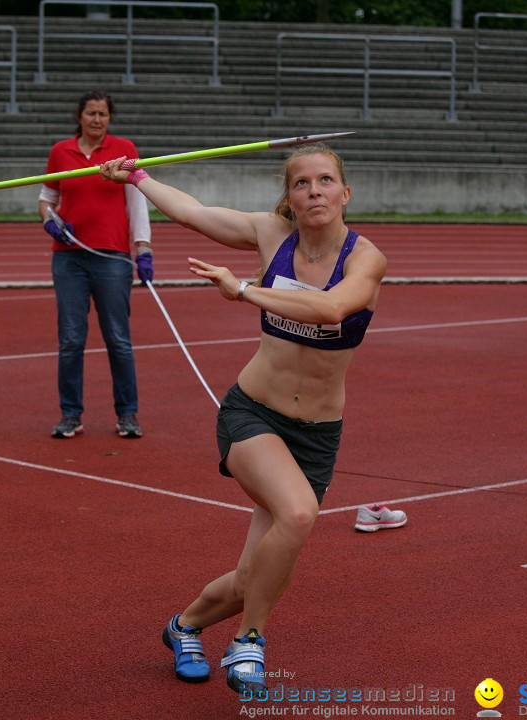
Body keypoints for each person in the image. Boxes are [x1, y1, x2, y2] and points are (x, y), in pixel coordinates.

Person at [100, 143, 393, 697]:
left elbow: (331, 309)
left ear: (345, 193)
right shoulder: (270, 235)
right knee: (299, 515)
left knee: (249, 577)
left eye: (325, 181)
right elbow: (192, 211)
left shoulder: (365, 259)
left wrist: (244, 290)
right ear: (289, 197)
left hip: (317, 437)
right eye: (302, 183)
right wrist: (137, 177)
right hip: (251, 414)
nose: (314, 191)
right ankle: (249, 640)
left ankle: (183, 627)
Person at [38, 90, 153, 440]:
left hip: (113, 257)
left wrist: (143, 250)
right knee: (71, 339)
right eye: (90, 113)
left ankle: (127, 414)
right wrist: (50, 221)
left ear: (109, 118)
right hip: (68, 256)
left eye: (102, 114)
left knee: (118, 338)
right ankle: (70, 415)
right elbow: (47, 198)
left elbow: (138, 201)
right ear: (79, 116)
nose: (96, 120)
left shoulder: (125, 150)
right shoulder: (61, 151)